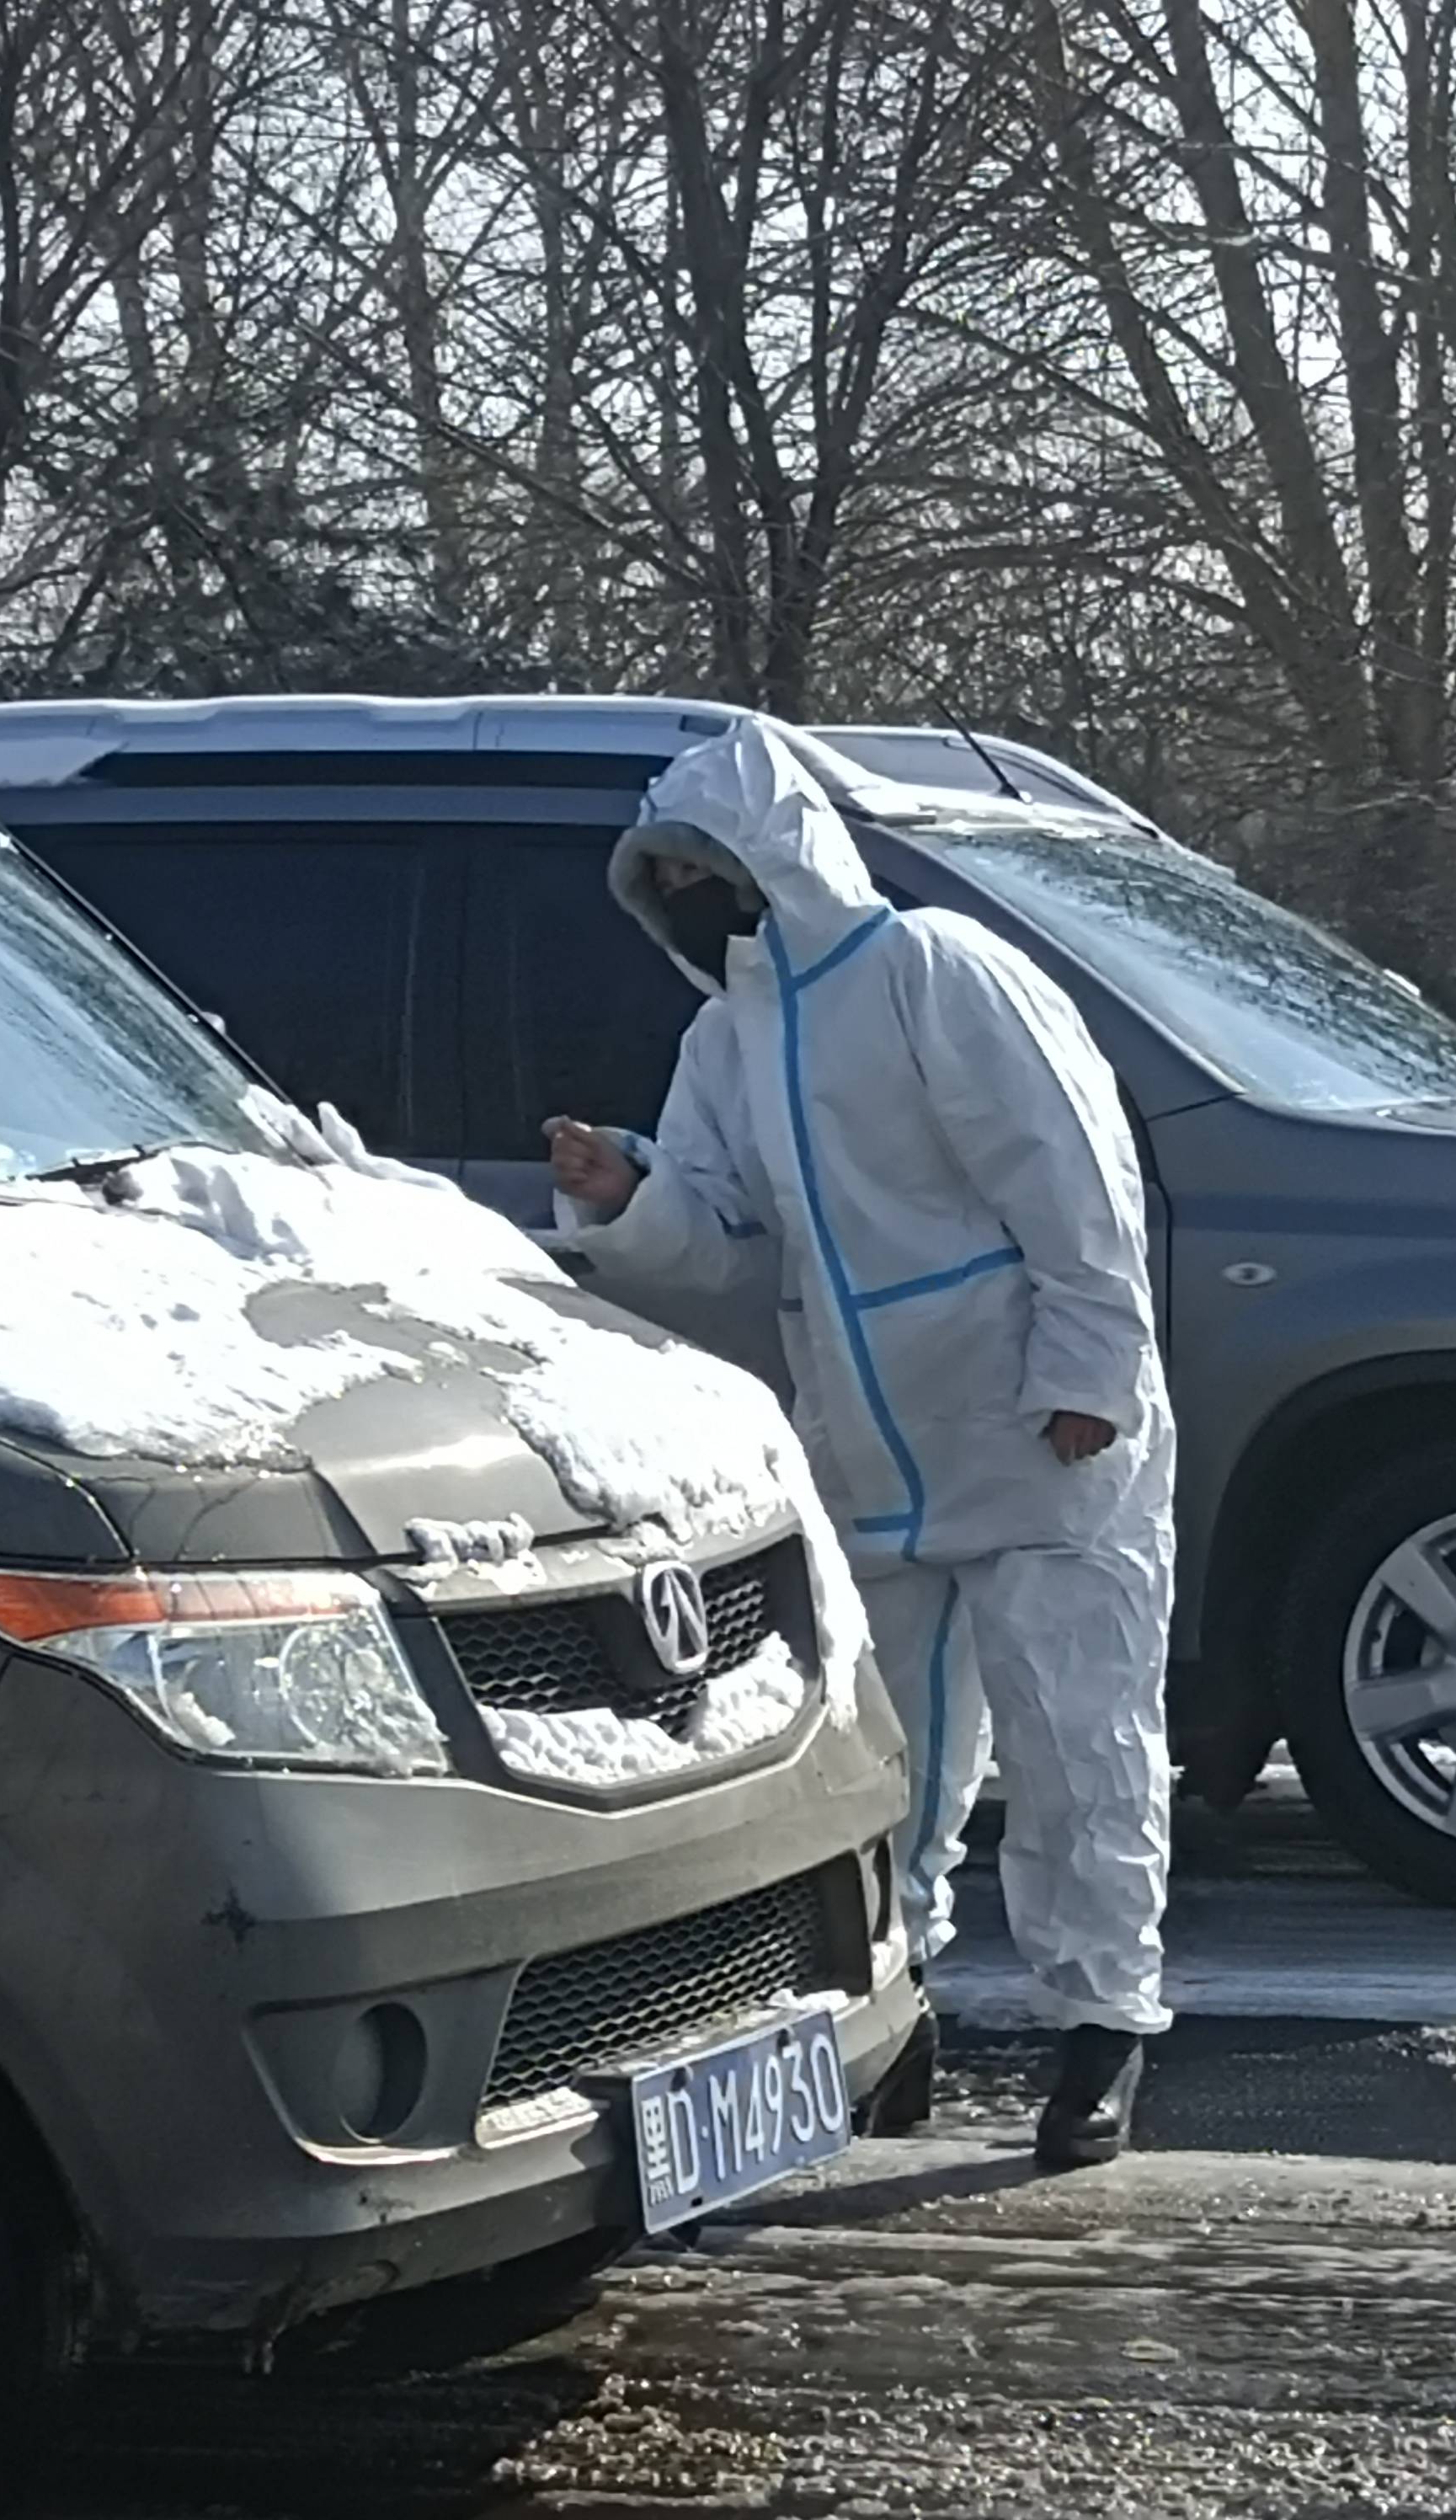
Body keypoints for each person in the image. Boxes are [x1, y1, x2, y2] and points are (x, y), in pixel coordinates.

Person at [545, 721, 1175, 2168]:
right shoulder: (729, 1034)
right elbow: (720, 1234)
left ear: (780, 855)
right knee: (891, 1760)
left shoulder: (935, 974)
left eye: (710, 867)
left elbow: (1076, 1183)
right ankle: (899, 2013)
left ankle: (1104, 2024)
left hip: (1037, 1433)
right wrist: (627, 1187)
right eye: (670, 878)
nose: (697, 899)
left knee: (1080, 1736)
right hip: (878, 1449)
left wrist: (1091, 1370)